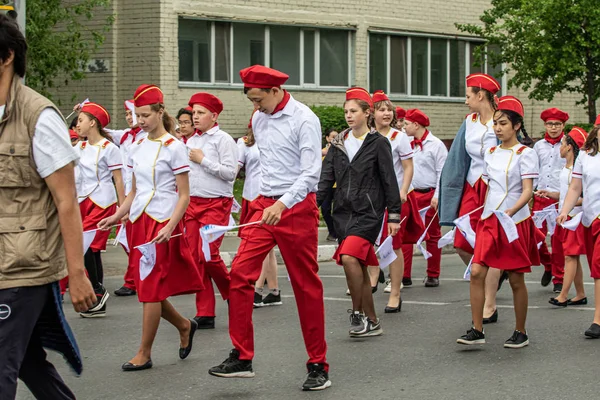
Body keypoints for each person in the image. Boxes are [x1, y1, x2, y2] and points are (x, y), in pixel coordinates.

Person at [208, 65, 330, 391]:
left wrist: (283, 203)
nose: (255, 107)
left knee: (306, 286)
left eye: (258, 99)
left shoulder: (305, 119)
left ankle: (318, 364)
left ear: (275, 91)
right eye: (251, 100)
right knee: (240, 275)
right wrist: (263, 201)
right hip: (265, 205)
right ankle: (242, 356)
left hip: (296, 207)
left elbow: (310, 174)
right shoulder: (260, 118)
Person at [0, 14, 97, 398]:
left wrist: (77, 274)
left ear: (6, 56)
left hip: (25, 268)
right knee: (25, 361)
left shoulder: (39, 117)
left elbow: (66, 200)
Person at [98, 84, 203, 370]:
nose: (140, 121)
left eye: (145, 115)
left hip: (161, 223)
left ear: (160, 112)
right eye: (137, 115)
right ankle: (183, 325)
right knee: (149, 288)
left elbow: (184, 195)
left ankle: (144, 353)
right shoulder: (137, 145)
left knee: (151, 287)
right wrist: (116, 215)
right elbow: (133, 192)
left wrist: (171, 226)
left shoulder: (175, 148)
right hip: (139, 222)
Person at [457, 96, 540, 349]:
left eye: (503, 123)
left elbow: (528, 191)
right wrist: (471, 216)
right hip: (490, 221)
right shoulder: (490, 152)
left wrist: (511, 211)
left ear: (516, 125)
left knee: (516, 279)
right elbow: (487, 188)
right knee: (477, 273)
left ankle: (520, 331)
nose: (497, 128)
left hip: (514, 222)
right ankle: (477, 328)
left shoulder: (526, 153)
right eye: (495, 124)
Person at [319, 87, 401, 330]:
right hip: (342, 213)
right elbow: (325, 179)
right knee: (360, 268)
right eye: (346, 111)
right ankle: (373, 321)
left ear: (368, 113)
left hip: (369, 213)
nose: (348, 115)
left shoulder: (379, 143)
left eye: (353, 111)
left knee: (348, 258)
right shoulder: (338, 143)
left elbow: (389, 180)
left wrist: (393, 215)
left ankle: (357, 313)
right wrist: (311, 204)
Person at [439, 73, 506, 323]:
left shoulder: (502, 121)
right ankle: (493, 276)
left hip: (494, 188)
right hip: (471, 188)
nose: (465, 101)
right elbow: (455, 161)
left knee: (489, 246)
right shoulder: (469, 122)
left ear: (481, 95)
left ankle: (490, 304)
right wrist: (442, 192)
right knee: (461, 243)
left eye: (468, 95)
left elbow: (514, 155)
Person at [184, 92, 237, 329]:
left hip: (216, 204)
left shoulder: (223, 139)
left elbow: (230, 173)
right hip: (192, 204)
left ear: (214, 116)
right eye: (193, 113)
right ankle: (205, 312)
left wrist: (203, 160)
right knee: (195, 258)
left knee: (209, 255)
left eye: (200, 113)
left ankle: (233, 294)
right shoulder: (191, 140)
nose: (195, 117)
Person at [75, 102, 125, 317]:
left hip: (102, 201)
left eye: (81, 120)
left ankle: (96, 289)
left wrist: (122, 210)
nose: (77, 125)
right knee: (92, 250)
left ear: (92, 123)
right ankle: (98, 300)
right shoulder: (79, 147)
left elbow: (119, 180)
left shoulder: (110, 148)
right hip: (83, 200)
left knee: (85, 246)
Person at [370, 90, 416, 311]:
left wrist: (403, 190)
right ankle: (371, 279)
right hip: (370, 200)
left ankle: (395, 293)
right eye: (381, 110)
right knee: (368, 242)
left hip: (393, 199)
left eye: (389, 109)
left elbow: (408, 167)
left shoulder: (400, 137)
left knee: (394, 245)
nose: (386, 113)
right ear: (372, 113)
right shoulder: (366, 136)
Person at [557, 126, 600, 338]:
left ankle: (598, 319)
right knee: (595, 265)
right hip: (590, 218)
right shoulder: (585, 156)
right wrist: (565, 210)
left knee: (599, 265)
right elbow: (575, 187)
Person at [238, 115, 282, 308]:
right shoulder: (245, 143)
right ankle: (274, 290)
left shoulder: (277, 140)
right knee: (264, 248)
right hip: (251, 196)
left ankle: (257, 289)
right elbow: (234, 169)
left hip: (269, 197)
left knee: (264, 246)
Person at [541, 127, 588, 306]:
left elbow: (582, 197)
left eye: (562, 143)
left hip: (573, 220)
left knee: (570, 256)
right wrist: (550, 194)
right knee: (572, 257)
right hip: (565, 217)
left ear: (569, 147)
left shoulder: (577, 170)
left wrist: (566, 208)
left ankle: (563, 295)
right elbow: (565, 194)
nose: (560, 147)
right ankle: (581, 293)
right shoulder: (567, 168)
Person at [402, 109, 448, 287]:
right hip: (411, 193)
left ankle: (433, 274)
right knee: (406, 233)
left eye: (406, 124)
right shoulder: (405, 142)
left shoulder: (436, 145)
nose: (404, 127)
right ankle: (404, 274)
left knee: (432, 234)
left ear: (416, 125)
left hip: (429, 195)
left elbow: (441, 173)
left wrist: (437, 196)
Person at [533, 108, 569, 293]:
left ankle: (559, 278)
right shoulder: (538, 146)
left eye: (557, 124)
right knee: (535, 237)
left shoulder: (567, 144)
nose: (553, 128)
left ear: (563, 126)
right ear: (545, 125)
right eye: (550, 124)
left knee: (558, 241)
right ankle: (547, 264)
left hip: (559, 199)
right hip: (540, 197)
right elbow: (533, 169)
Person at [321, 127, 339, 242]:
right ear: (327, 138)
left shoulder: (341, 151)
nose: (334, 140)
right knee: (325, 209)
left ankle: (337, 232)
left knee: (338, 210)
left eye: (336, 137)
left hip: (338, 186)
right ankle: (332, 231)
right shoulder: (322, 152)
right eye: (332, 137)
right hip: (326, 187)